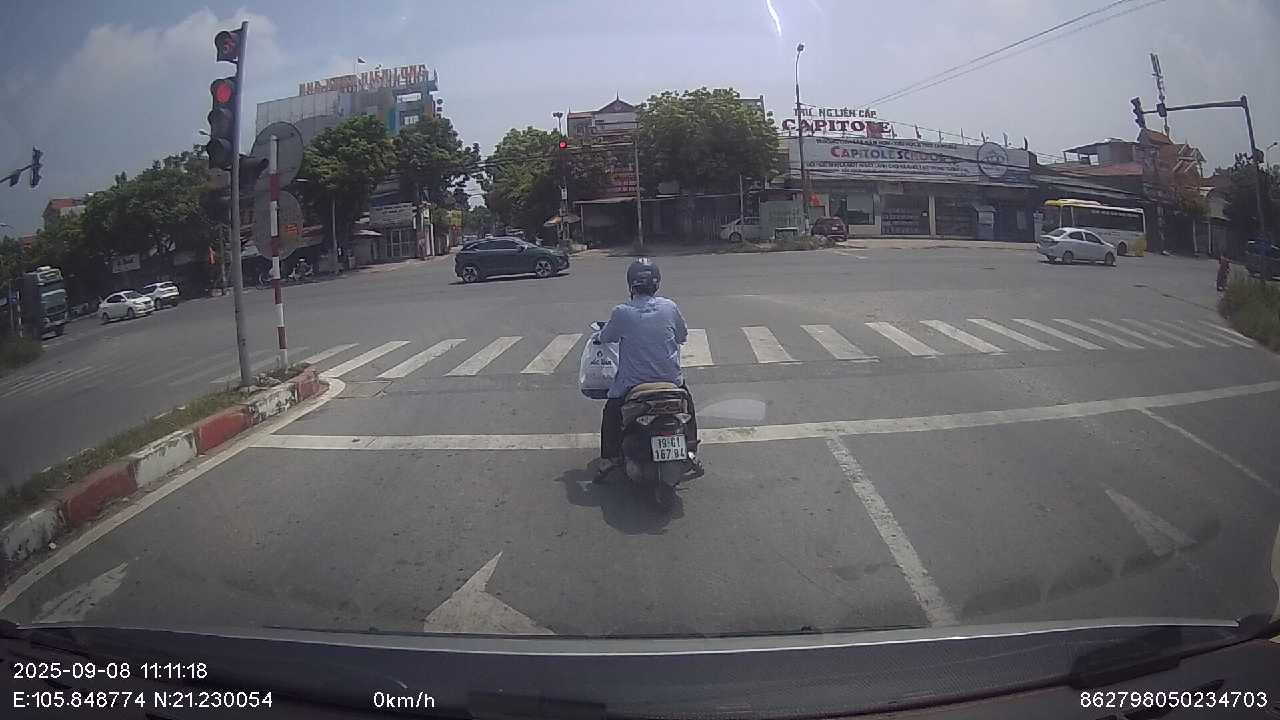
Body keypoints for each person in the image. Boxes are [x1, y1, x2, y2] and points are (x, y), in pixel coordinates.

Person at [596, 258, 701, 479]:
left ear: (631, 285)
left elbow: (606, 337)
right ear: (657, 283)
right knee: (688, 406)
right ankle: (691, 448)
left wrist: (600, 335)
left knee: (612, 412)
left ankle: (609, 458)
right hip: (670, 381)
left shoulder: (622, 312)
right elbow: (682, 336)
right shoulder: (669, 307)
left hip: (633, 384)